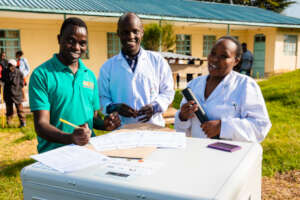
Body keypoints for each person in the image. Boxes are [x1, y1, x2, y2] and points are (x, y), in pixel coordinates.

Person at [29, 17, 121, 153]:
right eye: (71, 41)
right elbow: (41, 125)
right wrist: (70, 138)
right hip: (54, 155)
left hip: (88, 151)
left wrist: (106, 124)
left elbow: (93, 119)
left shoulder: (89, 75)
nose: (77, 47)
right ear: (59, 39)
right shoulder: (42, 75)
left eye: (82, 43)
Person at [175, 36, 271, 142]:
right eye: (213, 53)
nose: (215, 59)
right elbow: (182, 131)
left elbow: (260, 127)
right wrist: (182, 117)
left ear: (236, 61)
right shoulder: (194, 84)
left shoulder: (245, 85)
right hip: (197, 152)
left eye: (224, 56)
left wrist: (222, 127)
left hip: (230, 155)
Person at [98, 13, 174, 127]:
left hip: (153, 128)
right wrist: (115, 107)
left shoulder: (158, 61)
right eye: (125, 32)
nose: (131, 36)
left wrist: (154, 107)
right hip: (122, 131)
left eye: (135, 31)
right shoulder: (107, 67)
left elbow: (168, 92)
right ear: (118, 33)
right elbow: (102, 98)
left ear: (142, 32)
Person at [3, 59, 26, 127]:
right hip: (8, 94)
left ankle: (23, 122)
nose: (11, 68)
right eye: (10, 66)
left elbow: (22, 84)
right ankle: (8, 122)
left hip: (17, 94)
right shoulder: (5, 72)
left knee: (20, 110)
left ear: (15, 66)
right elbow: (2, 80)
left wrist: (24, 95)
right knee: (9, 110)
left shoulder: (19, 73)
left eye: (13, 66)